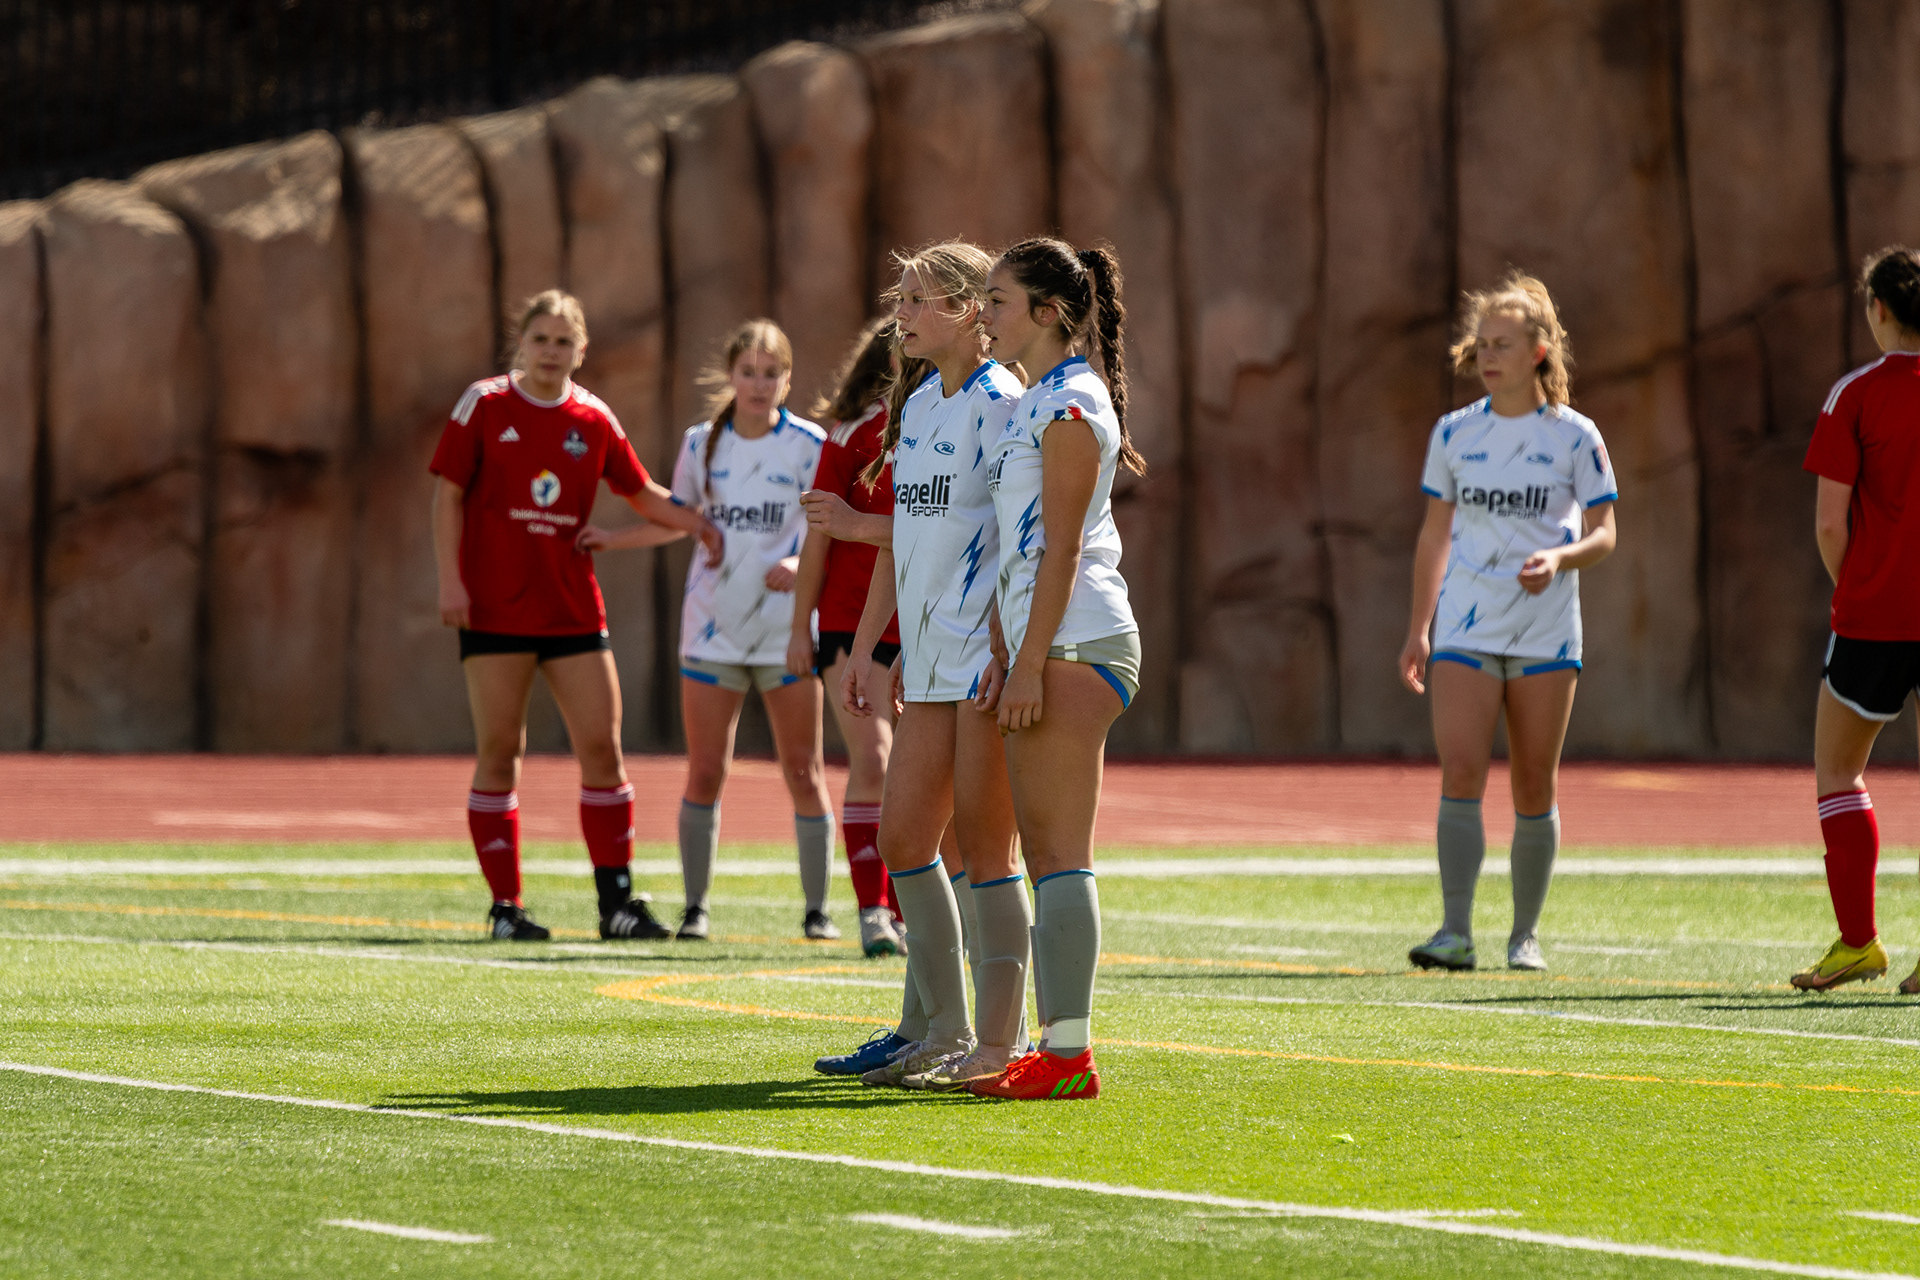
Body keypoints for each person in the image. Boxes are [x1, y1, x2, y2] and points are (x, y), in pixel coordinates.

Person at [431, 289, 721, 942]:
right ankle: (506, 909)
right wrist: (451, 581)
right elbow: (447, 495)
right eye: (540, 338)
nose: (551, 351)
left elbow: (642, 493)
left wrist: (700, 522)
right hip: (494, 610)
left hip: (572, 610)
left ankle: (615, 906)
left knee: (603, 749)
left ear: (581, 350)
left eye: (564, 341)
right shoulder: (484, 404)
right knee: (501, 752)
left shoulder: (592, 417)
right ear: (521, 343)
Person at [810, 242, 1026, 1089]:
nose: (898, 314)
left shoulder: (1002, 403)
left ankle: (992, 1040)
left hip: (983, 660)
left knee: (983, 850)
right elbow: (910, 539)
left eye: (916, 299)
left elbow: (1022, 541)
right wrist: (871, 649)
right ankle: (937, 1031)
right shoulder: (922, 402)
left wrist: (1009, 651)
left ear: (969, 310)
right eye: (898, 297)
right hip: (929, 657)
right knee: (903, 839)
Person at [937, 237, 1145, 1102]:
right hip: (1047, 642)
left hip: (1074, 643)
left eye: (997, 299)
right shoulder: (1039, 399)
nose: (982, 313)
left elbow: (1060, 550)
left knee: (1059, 854)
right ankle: (1054, 1051)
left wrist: (1026, 665)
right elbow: (1019, 553)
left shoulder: (1068, 404)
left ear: (1048, 312)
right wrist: (1003, 646)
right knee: (1047, 853)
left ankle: (1067, 1056)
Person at [1395, 272, 1618, 974]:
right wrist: (1419, 627)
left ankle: (1525, 936)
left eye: (1503, 344)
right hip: (1465, 627)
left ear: (1539, 352)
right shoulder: (1455, 432)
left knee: (1532, 783)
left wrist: (1561, 557)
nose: (1488, 356)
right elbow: (1434, 535)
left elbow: (1605, 532)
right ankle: (1454, 931)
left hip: (1547, 632)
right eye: (1482, 343)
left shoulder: (1576, 437)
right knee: (1461, 769)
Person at [588, 319, 834, 942]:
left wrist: (800, 563)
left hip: (786, 632)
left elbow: (831, 527)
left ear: (787, 379)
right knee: (705, 770)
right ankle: (695, 908)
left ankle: (818, 911)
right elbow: (680, 518)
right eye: (748, 372)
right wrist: (613, 538)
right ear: (730, 375)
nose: (759, 384)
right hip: (711, 629)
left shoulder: (809, 444)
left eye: (771, 373)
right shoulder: (702, 443)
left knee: (803, 769)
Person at [1792, 246, 1920, 993]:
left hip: (1876, 617)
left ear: (1879, 309)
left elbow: (1829, 524)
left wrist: (1861, 588)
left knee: (1840, 770)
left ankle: (1859, 943)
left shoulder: (1856, 394)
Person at [785, 319, 928, 958]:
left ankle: (909, 910)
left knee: (922, 773)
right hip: (854, 623)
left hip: (930, 625)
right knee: (875, 760)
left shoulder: (959, 419)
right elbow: (820, 534)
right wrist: (801, 626)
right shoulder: (854, 433)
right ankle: (874, 910)